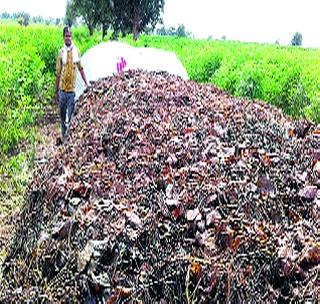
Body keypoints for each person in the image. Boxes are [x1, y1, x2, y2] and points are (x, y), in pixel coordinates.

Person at [54, 26, 88, 141]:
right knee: (62, 117)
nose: (68, 38)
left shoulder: (76, 51)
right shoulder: (61, 53)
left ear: (71, 36)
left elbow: (81, 68)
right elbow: (58, 73)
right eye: (66, 36)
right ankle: (64, 138)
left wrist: (86, 83)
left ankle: (70, 139)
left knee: (71, 117)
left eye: (69, 35)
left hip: (72, 91)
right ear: (63, 37)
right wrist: (56, 91)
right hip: (62, 90)